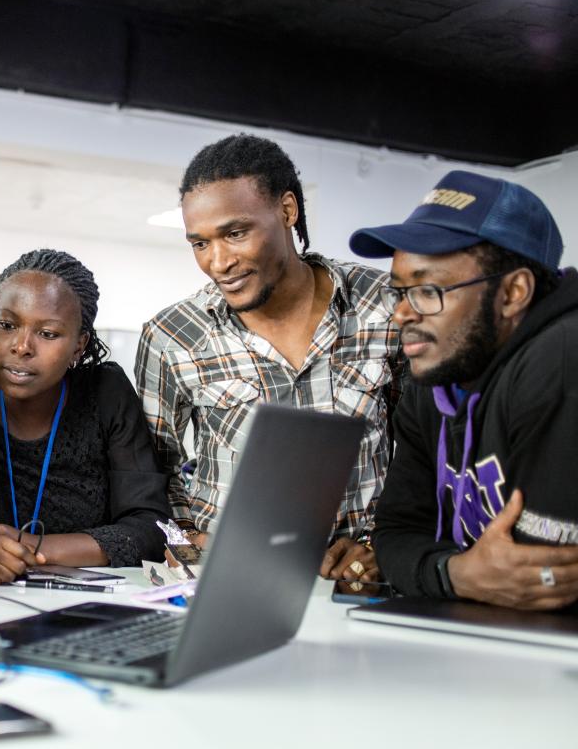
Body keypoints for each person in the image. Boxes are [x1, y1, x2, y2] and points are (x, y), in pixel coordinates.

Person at [135, 134, 406, 582]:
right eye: (200, 244)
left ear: (287, 210)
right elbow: (151, 470)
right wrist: (182, 536)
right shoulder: (173, 335)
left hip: (355, 579)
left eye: (235, 233)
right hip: (230, 578)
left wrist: (384, 543)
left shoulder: (385, 308)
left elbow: (424, 452)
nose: (218, 262)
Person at [350, 170, 578, 611]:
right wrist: (456, 573)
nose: (401, 314)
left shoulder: (562, 358)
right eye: (399, 292)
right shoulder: (435, 376)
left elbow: (539, 583)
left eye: (428, 290)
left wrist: (443, 570)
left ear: (513, 293)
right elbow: (395, 534)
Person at [0, 249, 169, 584]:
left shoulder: (104, 393)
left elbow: (150, 528)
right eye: (7, 325)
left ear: (79, 346)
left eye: (48, 333)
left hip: (86, 603)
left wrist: (31, 548)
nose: (21, 346)